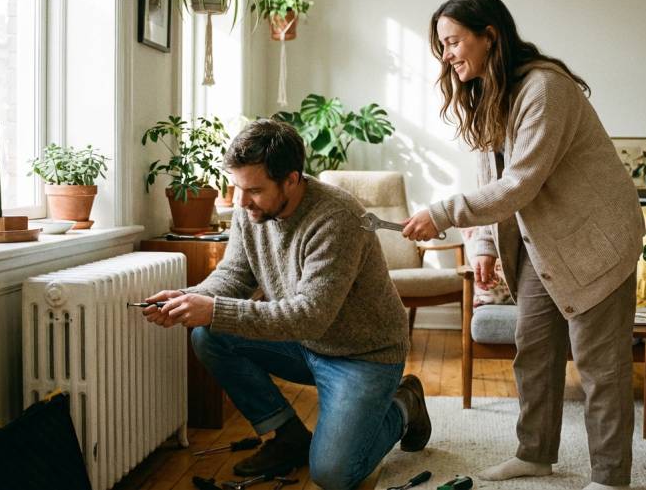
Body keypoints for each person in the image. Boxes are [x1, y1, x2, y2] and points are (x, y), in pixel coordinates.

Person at [402, 0, 645, 490]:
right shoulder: (493, 91)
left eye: (452, 42)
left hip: (598, 243)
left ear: (489, 35)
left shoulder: (545, 89)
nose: (446, 56)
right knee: (533, 350)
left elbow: (520, 183)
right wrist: (485, 245)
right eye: (441, 46)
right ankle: (535, 454)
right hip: (543, 242)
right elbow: (492, 170)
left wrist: (443, 213)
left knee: (601, 367)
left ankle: (610, 477)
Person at [143, 119, 431, 490]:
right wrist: (192, 297)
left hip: (363, 353)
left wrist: (213, 309)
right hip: (304, 342)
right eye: (236, 188)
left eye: (254, 190)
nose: (242, 201)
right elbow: (235, 273)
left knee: (334, 474)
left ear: (292, 179)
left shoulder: (339, 217)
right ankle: (288, 436)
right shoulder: (252, 211)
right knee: (209, 335)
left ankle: (405, 404)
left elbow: (310, 316)